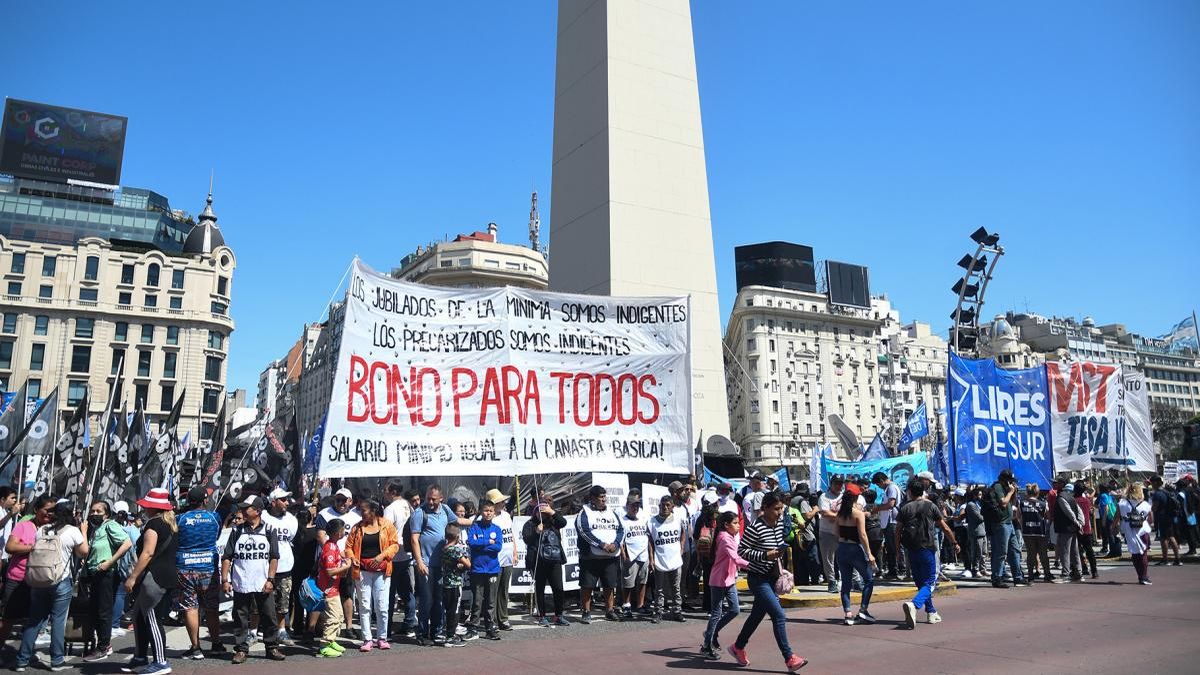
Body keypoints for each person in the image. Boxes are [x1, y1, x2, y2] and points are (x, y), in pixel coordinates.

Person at [726, 492, 806, 672]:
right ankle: (789, 657)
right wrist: (764, 555)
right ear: (766, 508)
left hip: (772, 577)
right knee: (778, 615)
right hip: (758, 579)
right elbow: (742, 551)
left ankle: (738, 647)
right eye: (776, 509)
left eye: (781, 508)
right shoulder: (755, 527)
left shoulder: (778, 525)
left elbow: (778, 544)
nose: (780, 512)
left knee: (756, 616)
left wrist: (778, 552)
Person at [13, 500, 86, 672]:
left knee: (34, 620)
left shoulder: (42, 529)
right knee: (58, 621)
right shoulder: (72, 531)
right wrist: (84, 531)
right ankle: (57, 660)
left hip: (38, 580)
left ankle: (21, 660)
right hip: (60, 580)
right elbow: (83, 552)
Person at [222, 495, 286, 664]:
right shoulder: (236, 531)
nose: (242, 510)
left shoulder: (269, 530)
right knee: (240, 617)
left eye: (246, 508)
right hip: (240, 581)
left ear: (257, 511)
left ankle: (272, 647)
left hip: (262, 582)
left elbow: (274, 557)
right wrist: (225, 579)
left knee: (269, 615)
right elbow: (227, 557)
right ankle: (241, 649)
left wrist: (271, 579)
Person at [122, 488, 179, 675]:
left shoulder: (153, 524)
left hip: (153, 577)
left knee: (152, 617)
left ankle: (161, 662)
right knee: (139, 615)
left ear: (152, 507)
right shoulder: (170, 523)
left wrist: (132, 577)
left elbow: (148, 553)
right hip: (167, 575)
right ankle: (140, 656)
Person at [409, 485, 472, 645]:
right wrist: (420, 562)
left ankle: (437, 632)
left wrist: (476, 520)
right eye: (428, 498)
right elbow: (414, 539)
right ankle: (422, 634)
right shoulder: (419, 513)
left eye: (433, 499)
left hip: (442, 565)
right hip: (427, 565)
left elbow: (457, 521)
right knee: (427, 600)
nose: (429, 501)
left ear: (441, 498)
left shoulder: (445, 509)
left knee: (438, 600)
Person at [898, 477, 959, 630]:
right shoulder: (931, 506)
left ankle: (931, 612)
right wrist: (954, 542)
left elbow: (897, 531)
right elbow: (944, 527)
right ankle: (915, 604)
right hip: (927, 548)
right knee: (930, 582)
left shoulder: (905, 507)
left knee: (921, 583)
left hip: (911, 549)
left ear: (910, 492)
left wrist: (897, 550)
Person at [174, 486, 223, 660]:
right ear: (205, 500)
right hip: (208, 566)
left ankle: (196, 648)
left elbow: (176, 538)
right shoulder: (214, 517)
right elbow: (216, 536)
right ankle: (216, 643)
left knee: (190, 606)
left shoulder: (179, 518)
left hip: (185, 566)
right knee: (211, 607)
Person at [80, 500, 132, 662]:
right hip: (96, 573)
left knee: (103, 611)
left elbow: (127, 543)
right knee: (95, 610)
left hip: (107, 573)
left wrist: (110, 561)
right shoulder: (96, 529)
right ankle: (101, 644)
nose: (94, 514)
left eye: (98, 511)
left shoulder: (110, 525)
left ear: (107, 514)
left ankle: (104, 646)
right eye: (92, 511)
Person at [345, 499, 399, 651]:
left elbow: (394, 544)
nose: (362, 513)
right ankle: (367, 639)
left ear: (374, 511)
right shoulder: (357, 528)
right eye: (361, 510)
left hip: (382, 570)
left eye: (364, 510)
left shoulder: (387, 525)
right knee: (364, 605)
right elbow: (348, 547)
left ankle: (382, 637)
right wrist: (353, 558)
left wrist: (382, 556)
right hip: (362, 571)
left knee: (382, 606)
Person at [700, 511, 748, 660]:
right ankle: (707, 645)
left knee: (734, 610)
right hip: (719, 581)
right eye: (735, 523)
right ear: (726, 525)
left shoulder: (730, 536)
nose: (738, 525)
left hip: (729, 579)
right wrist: (754, 566)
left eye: (738, 522)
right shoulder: (725, 538)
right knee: (716, 613)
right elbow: (736, 558)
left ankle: (711, 633)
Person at [575, 485, 625, 624]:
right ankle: (586, 611)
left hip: (610, 556)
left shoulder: (612, 512)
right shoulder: (584, 512)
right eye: (600, 497)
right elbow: (583, 531)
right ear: (592, 498)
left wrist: (615, 543)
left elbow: (621, 530)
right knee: (587, 585)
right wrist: (601, 544)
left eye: (604, 497)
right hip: (591, 556)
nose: (603, 500)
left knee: (609, 585)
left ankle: (609, 610)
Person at [316, 488, 362, 636]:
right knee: (326, 595)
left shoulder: (356, 516)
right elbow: (321, 536)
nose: (341, 503)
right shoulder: (324, 514)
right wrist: (333, 553)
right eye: (338, 500)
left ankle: (348, 626)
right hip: (329, 562)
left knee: (347, 593)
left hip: (346, 562)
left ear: (350, 501)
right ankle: (320, 628)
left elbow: (357, 539)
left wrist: (348, 557)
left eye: (344, 500)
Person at [522, 496, 568, 627]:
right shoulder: (530, 524)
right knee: (540, 589)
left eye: (544, 511)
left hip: (554, 560)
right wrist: (536, 532)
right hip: (538, 560)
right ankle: (542, 616)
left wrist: (552, 512)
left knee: (558, 588)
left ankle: (559, 615)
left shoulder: (553, 522)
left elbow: (563, 522)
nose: (542, 514)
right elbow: (527, 539)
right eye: (539, 511)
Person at [261, 488, 298, 645]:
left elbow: (291, 537)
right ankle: (255, 631)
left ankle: (282, 630)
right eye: (283, 500)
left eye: (287, 499)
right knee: (260, 602)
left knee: (283, 602)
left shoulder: (291, 519)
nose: (287, 502)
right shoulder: (262, 517)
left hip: (284, 567)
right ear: (273, 502)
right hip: (263, 567)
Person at [835, 483, 876, 626]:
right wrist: (869, 553)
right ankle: (863, 609)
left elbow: (836, 532)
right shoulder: (858, 513)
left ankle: (848, 613)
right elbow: (863, 535)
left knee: (846, 583)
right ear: (856, 497)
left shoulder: (840, 513)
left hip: (841, 548)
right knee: (869, 579)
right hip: (854, 549)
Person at [382, 483, 417, 641]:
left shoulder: (390, 509)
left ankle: (386, 630)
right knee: (406, 591)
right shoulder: (407, 505)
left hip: (393, 555)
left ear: (393, 492)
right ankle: (409, 623)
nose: (384, 493)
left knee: (389, 594)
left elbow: (385, 531)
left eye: (386, 490)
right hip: (406, 554)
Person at [465, 501, 503, 640]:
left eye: (491, 511)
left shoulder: (497, 529)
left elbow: (498, 547)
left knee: (490, 601)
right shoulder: (474, 527)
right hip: (477, 570)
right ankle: (473, 627)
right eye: (486, 510)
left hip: (492, 570)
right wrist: (488, 542)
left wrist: (482, 545)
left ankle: (490, 628)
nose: (488, 513)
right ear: (481, 511)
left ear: (494, 512)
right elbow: (472, 543)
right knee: (477, 601)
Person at [986, 470, 1029, 588]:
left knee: (1014, 550)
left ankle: (1018, 577)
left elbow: (1011, 502)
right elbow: (1003, 503)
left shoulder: (1005, 488)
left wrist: (1013, 492)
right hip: (1001, 524)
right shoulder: (998, 486)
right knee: (1001, 552)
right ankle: (997, 577)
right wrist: (1010, 492)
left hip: (1009, 523)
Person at [648, 496, 686, 623]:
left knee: (676, 587)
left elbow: (683, 534)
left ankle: (677, 611)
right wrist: (652, 559)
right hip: (660, 560)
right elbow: (650, 543)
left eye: (668, 505)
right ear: (659, 506)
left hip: (675, 559)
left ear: (672, 507)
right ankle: (658, 611)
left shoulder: (678, 520)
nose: (665, 507)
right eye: (662, 505)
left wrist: (681, 548)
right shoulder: (651, 522)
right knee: (659, 589)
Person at [315, 519, 350, 658]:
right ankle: (324, 645)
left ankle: (332, 640)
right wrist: (346, 566)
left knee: (339, 616)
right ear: (336, 532)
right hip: (328, 590)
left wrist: (344, 560)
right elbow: (329, 571)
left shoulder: (334, 545)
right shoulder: (329, 548)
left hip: (334, 589)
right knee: (333, 617)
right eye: (342, 530)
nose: (344, 532)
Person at [483, 489, 516, 632]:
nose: (503, 503)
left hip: (508, 558)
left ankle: (503, 618)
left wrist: (515, 551)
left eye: (503, 501)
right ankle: (493, 620)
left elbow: (511, 534)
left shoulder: (507, 515)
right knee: (492, 592)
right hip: (494, 559)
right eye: (500, 501)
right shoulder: (488, 518)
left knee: (504, 590)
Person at [440, 523, 471, 647]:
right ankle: (450, 637)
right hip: (455, 584)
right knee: (455, 610)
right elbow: (468, 564)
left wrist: (458, 565)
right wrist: (462, 563)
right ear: (457, 537)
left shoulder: (444, 549)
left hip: (446, 583)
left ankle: (448, 633)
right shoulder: (456, 550)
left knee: (448, 610)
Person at [619, 494, 650, 619]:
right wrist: (623, 555)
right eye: (633, 505)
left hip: (643, 555)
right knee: (628, 583)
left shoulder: (643, 519)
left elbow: (648, 538)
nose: (635, 507)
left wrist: (650, 557)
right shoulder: (623, 521)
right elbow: (620, 541)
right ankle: (626, 605)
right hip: (630, 555)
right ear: (627, 506)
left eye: (637, 505)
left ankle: (640, 605)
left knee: (642, 581)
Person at [111, 501, 139, 636]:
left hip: (110, 565)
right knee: (120, 594)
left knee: (114, 594)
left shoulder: (109, 526)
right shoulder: (132, 530)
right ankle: (114, 624)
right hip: (125, 567)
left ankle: (112, 622)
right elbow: (138, 547)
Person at [1019, 485, 1055, 583]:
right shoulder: (1043, 504)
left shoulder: (1022, 503)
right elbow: (1048, 517)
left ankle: (1030, 575)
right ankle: (1047, 574)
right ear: (1037, 493)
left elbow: (1018, 516)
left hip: (1027, 531)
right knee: (1043, 553)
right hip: (1040, 531)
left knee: (1031, 554)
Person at [1119, 484, 1154, 585]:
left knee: (1135, 554)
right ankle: (1144, 576)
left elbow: (1117, 517)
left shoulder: (1122, 503)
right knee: (1143, 554)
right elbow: (1151, 520)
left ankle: (1140, 575)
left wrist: (1114, 528)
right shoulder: (1146, 505)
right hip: (1142, 531)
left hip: (1129, 532)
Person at [816, 476, 845, 593]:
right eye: (836, 483)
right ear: (831, 484)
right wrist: (843, 517)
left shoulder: (844, 496)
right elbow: (825, 512)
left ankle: (851, 580)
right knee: (828, 558)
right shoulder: (824, 497)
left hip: (843, 531)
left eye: (840, 483)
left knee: (845, 557)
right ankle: (832, 582)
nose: (838, 486)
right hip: (827, 531)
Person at [871, 472, 901, 580]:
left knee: (892, 547)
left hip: (891, 522)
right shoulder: (889, 489)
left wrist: (877, 508)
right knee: (890, 547)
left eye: (878, 484)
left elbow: (891, 504)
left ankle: (895, 571)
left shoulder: (891, 488)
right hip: (888, 522)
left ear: (882, 481)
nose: (879, 487)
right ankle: (893, 570)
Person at [1053, 483, 1084, 582]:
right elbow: (1079, 512)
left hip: (1065, 528)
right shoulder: (1072, 499)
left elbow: (1068, 512)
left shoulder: (1061, 498)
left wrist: (1077, 523)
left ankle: (1065, 573)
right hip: (1073, 528)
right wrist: (1080, 524)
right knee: (1075, 551)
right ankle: (1078, 572)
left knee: (1065, 551)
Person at [1148, 475, 1180, 566]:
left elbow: (1154, 508)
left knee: (1163, 539)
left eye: (1152, 482)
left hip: (1162, 518)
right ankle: (1177, 559)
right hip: (1169, 517)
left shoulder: (1157, 494)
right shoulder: (1167, 492)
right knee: (1171, 537)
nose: (1151, 484)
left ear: (1155, 483)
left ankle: (1165, 559)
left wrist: (1150, 510)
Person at [1073, 480, 1099, 579]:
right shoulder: (1086, 501)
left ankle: (1082, 568)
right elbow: (1090, 512)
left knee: (1077, 550)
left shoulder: (1073, 500)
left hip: (1076, 528)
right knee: (1089, 550)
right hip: (1087, 528)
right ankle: (1094, 570)